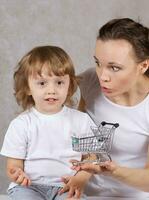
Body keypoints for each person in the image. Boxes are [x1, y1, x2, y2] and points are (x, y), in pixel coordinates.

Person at [0, 46, 95, 200]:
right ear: (28, 88)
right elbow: (14, 164)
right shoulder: (21, 124)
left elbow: (92, 158)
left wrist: (81, 178)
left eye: (59, 82)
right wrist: (16, 173)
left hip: (65, 187)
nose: (52, 90)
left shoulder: (81, 121)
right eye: (42, 83)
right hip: (29, 187)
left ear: (69, 86)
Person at [70, 18, 149, 199]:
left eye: (114, 67)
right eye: (98, 63)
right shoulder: (90, 80)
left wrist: (113, 171)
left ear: (143, 65)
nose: (102, 76)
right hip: (83, 195)